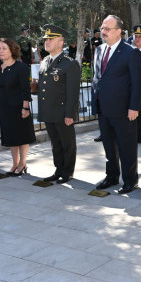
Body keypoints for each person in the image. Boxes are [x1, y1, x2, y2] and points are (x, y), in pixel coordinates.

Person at [92, 16, 141, 194]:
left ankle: (130, 180)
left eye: (107, 28)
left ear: (118, 31)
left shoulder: (130, 52)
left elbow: (137, 83)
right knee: (108, 146)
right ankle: (112, 176)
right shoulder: (99, 50)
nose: (103, 32)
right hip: (103, 108)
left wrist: (134, 107)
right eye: (102, 28)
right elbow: (97, 78)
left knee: (126, 146)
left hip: (123, 110)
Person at [37, 25, 81, 184]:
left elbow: (73, 92)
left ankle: (67, 172)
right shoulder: (45, 61)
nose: (46, 42)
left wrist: (70, 114)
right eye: (46, 39)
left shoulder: (69, 64)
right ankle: (58, 169)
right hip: (49, 111)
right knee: (55, 144)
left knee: (67, 144)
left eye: (50, 39)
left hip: (62, 112)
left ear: (61, 42)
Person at [0, 38, 35, 176]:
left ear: (12, 50)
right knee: (11, 137)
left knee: (22, 136)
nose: (1, 51)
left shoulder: (21, 67)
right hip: (4, 108)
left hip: (19, 108)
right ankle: (15, 163)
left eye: (4, 48)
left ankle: (22, 163)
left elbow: (25, 90)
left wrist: (25, 108)